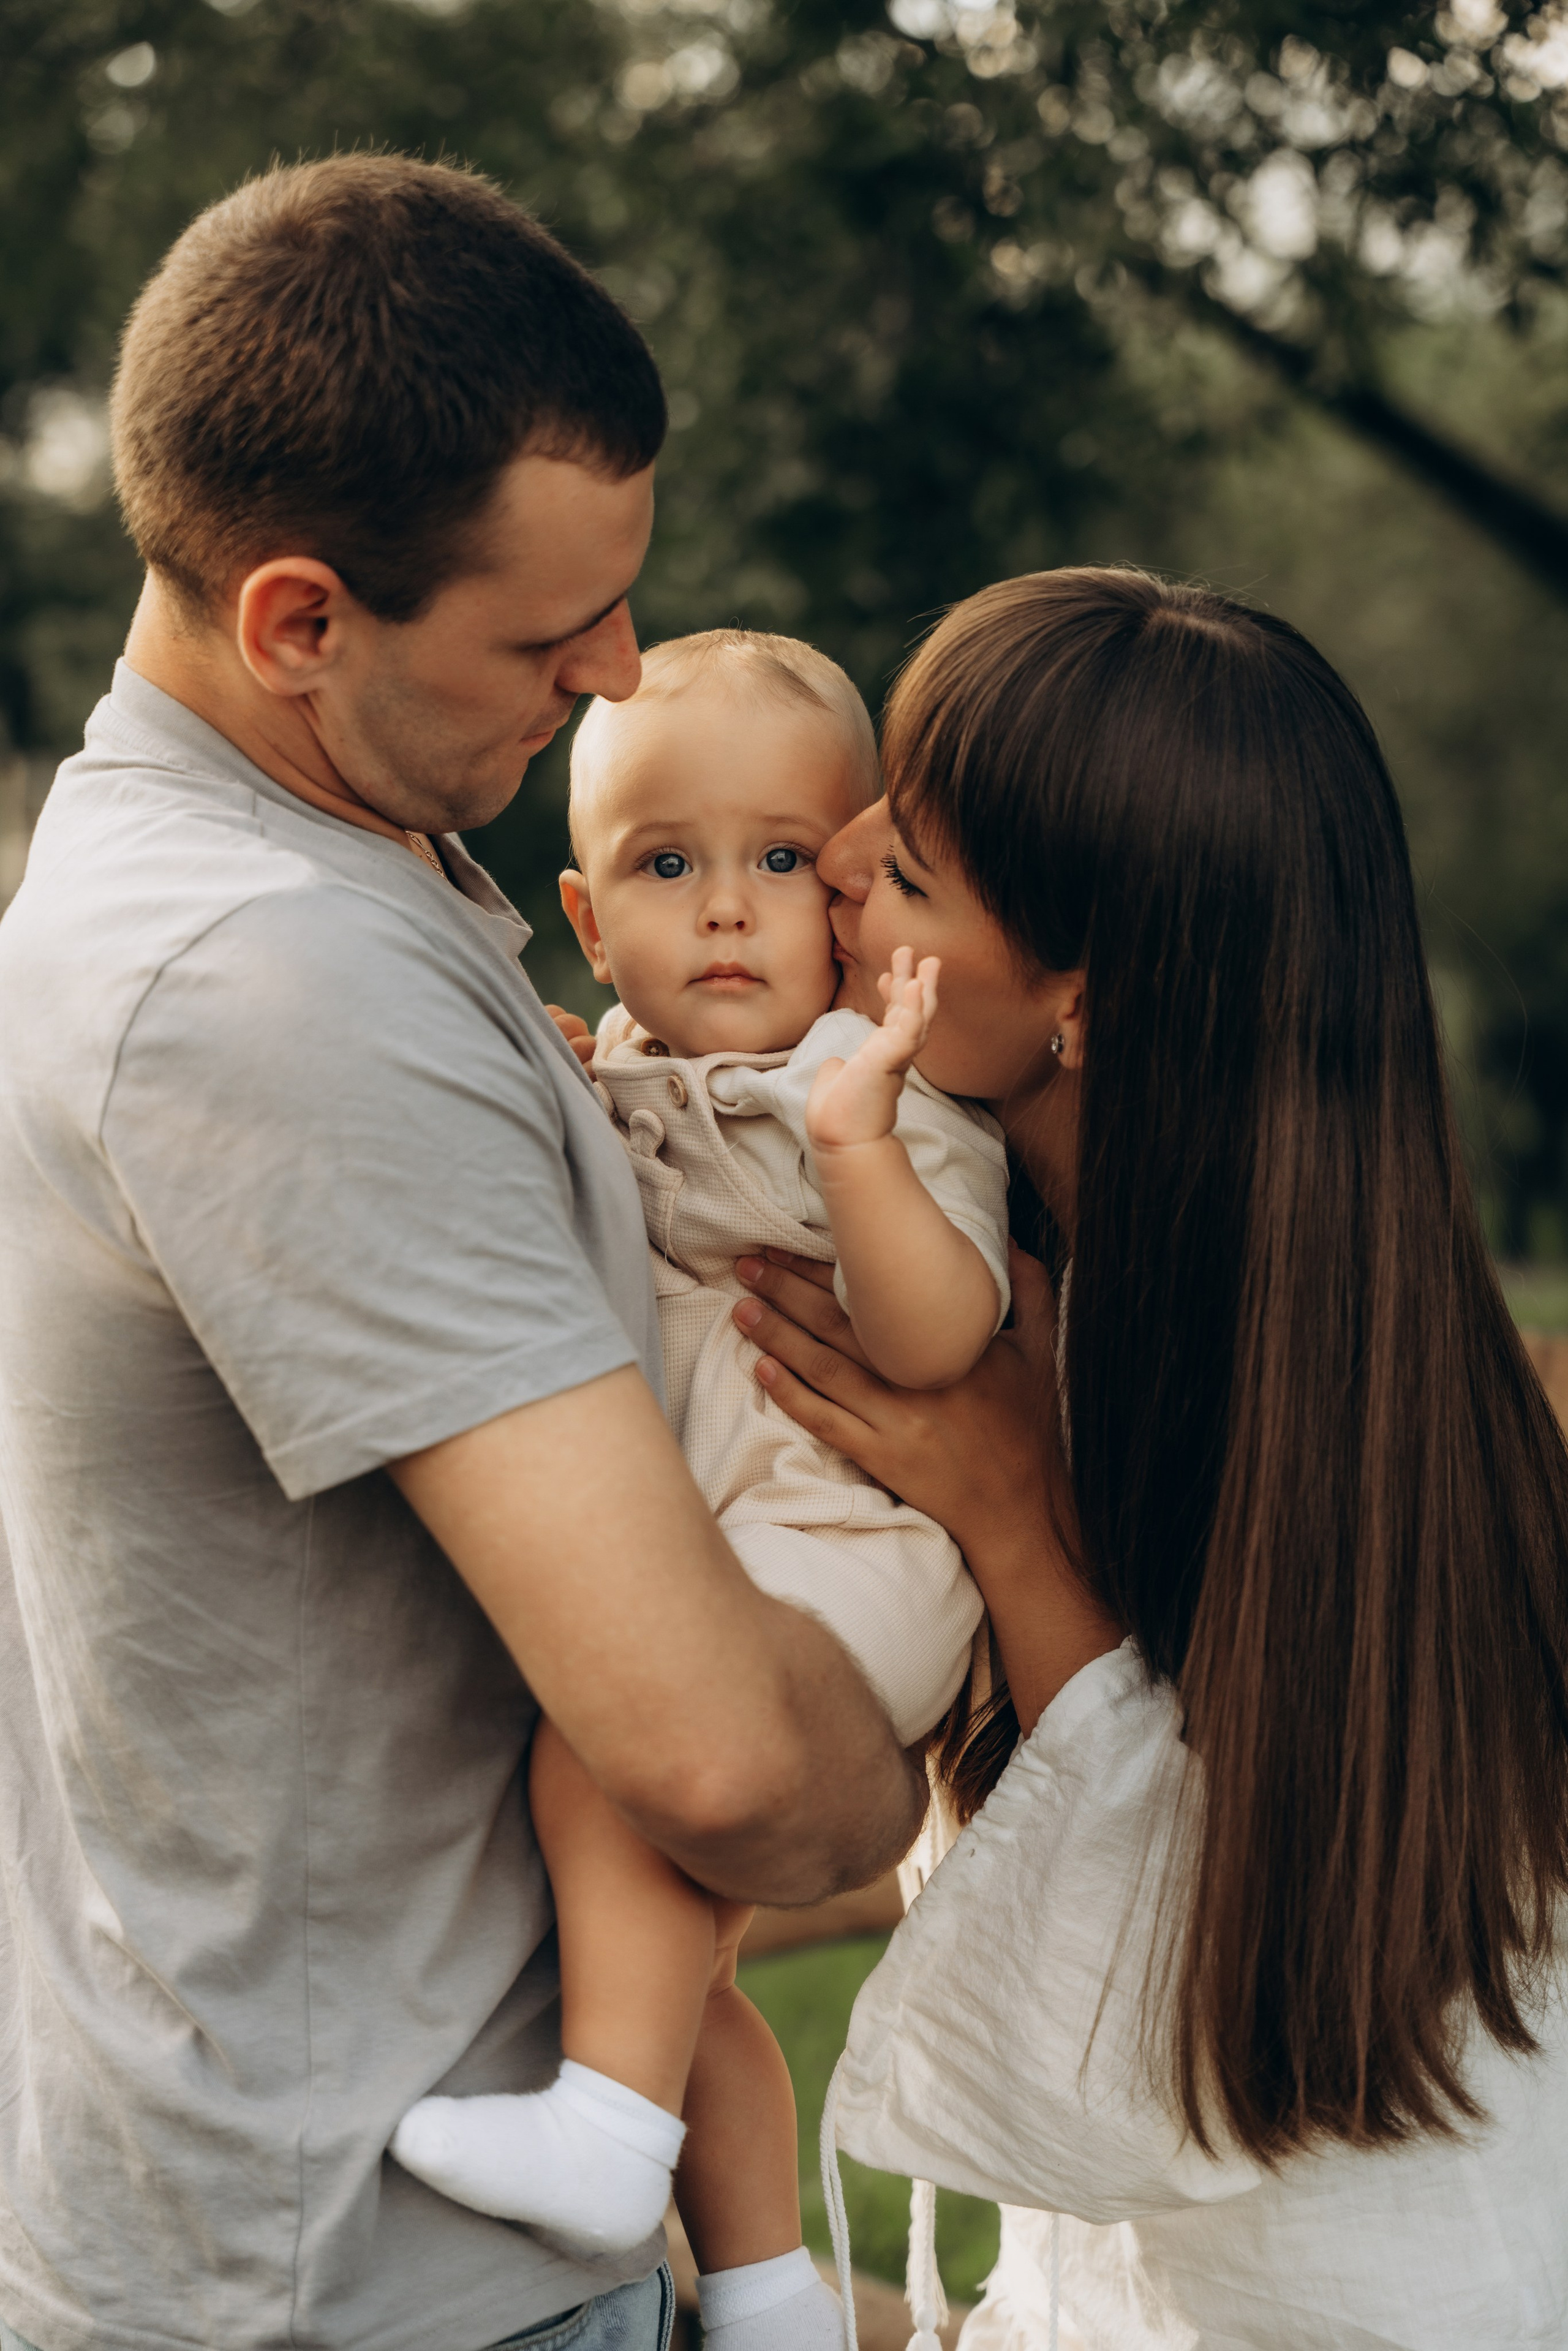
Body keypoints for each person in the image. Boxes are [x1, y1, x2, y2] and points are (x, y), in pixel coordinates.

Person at [0, 157, 925, 2351]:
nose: (614, 668)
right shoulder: (270, 981)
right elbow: (709, 1755)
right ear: (300, 623)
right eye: (545, 636)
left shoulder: (267, 879)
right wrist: (921, 1721)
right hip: (371, 2286)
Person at [733, 568, 1568, 2350]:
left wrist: (1021, 1532)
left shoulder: (1170, 1374)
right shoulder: (1338, 1325)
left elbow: (1192, 1970)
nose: (845, 853)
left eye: (920, 868)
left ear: (1081, 1003)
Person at [391, 628, 1006, 2351]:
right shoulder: (623, 1084)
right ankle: (761, 2292)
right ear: (591, 918)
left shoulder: (861, 1092)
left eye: (783, 862)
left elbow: (942, 1333)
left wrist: (858, 1157)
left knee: (603, 1744)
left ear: (854, 899)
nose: (728, 912)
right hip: (732, 1555)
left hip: (841, 1568)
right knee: (693, 1986)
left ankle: (603, 2135)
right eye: (669, 866)